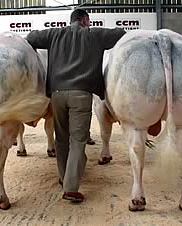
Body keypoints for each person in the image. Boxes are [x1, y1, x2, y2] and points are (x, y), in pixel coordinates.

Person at [26, 9, 126, 202]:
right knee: (78, 140)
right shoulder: (94, 34)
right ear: (85, 20)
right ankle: (71, 188)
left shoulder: (55, 33)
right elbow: (121, 33)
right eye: (88, 21)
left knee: (61, 139)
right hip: (81, 94)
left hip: (56, 94)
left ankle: (64, 178)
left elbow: (31, 37)